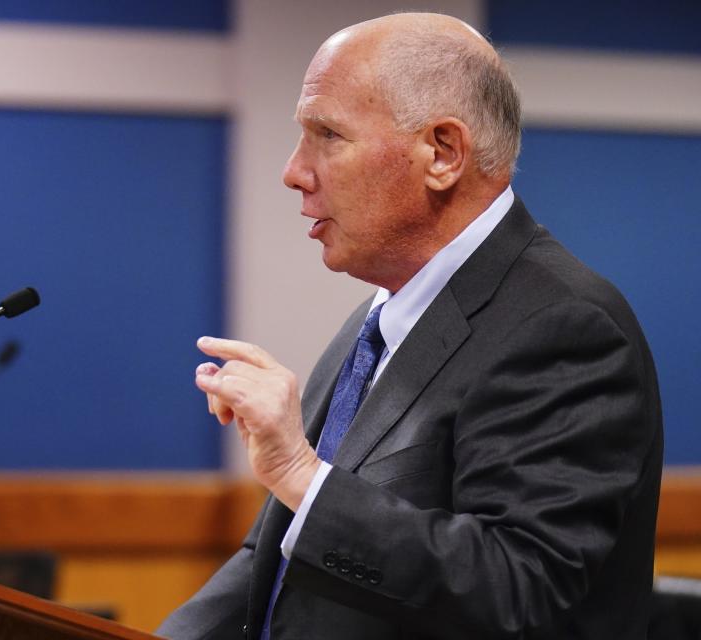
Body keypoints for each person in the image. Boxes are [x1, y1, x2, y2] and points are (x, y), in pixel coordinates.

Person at [158, 12, 662, 640]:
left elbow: (522, 589)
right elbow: (275, 554)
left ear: (443, 153)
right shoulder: (380, 317)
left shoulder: (565, 325)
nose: (293, 170)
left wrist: (301, 474)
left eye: (327, 134)